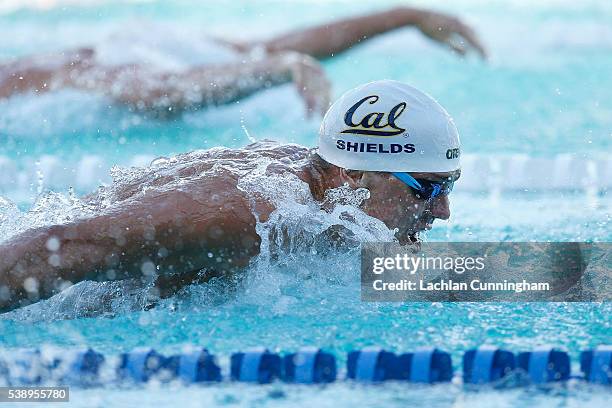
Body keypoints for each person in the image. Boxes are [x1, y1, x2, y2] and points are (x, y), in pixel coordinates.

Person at [1, 80, 461, 312]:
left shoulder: (327, 202)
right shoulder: (243, 216)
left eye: (449, 186)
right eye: (429, 189)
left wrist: (529, 275)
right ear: (352, 176)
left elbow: (446, 276)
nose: (443, 211)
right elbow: (63, 245)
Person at [0, 7, 485, 117]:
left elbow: (163, 90)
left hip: (130, 58)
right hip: (140, 48)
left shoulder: (47, 73)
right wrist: (402, 16)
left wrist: (274, 69)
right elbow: (262, 49)